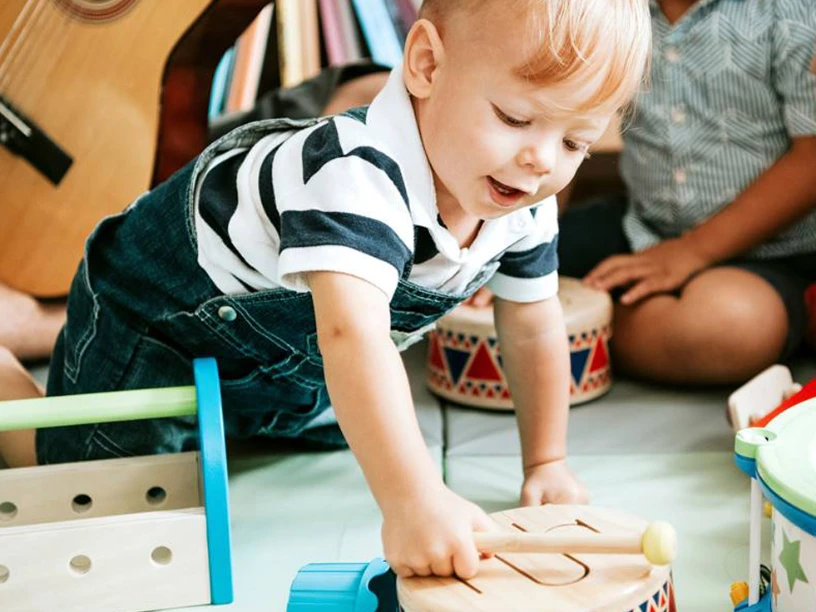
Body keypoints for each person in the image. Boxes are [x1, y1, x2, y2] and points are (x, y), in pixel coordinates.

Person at [0, 0, 651, 579]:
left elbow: (533, 323)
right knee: (88, 503)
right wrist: (412, 502)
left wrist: (547, 461)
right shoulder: (354, 175)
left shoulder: (521, 201)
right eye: (515, 117)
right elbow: (352, 335)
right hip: (156, 319)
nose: (542, 161)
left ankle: (213, 420)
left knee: (356, 426)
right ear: (425, 65)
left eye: (574, 142)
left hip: (280, 357)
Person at [475, 0, 816, 386]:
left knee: (727, 328)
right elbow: (559, 128)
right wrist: (515, 245)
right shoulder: (607, 10)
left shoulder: (791, 11)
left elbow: (811, 158)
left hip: (772, 251)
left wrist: (692, 251)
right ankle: (536, 319)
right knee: (481, 264)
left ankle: (554, 331)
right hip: (642, 223)